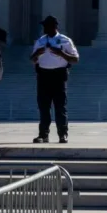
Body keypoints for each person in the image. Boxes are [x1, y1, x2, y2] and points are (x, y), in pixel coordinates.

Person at [31, 16, 79, 144]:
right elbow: (32, 59)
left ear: (54, 27)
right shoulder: (40, 41)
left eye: (46, 26)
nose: (44, 28)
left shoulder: (65, 40)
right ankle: (43, 135)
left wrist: (61, 53)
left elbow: (75, 59)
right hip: (43, 76)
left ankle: (63, 135)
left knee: (60, 107)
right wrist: (37, 54)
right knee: (44, 107)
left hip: (59, 76)